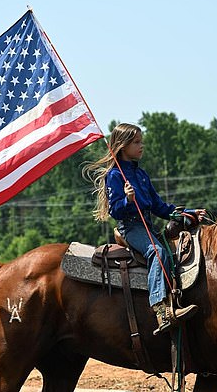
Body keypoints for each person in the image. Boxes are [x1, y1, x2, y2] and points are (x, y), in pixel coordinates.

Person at [85, 123, 204, 335]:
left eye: (141, 141)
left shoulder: (142, 175)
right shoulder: (114, 175)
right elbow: (115, 211)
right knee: (157, 253)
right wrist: (128, 200)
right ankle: (160, 310)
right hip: (131, 228)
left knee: (173, 253)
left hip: (147, 226)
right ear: (123, 146)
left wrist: (189, 214)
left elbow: (159, 207)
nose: (142, 146)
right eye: (136, 142)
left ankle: (176, 299)